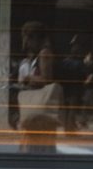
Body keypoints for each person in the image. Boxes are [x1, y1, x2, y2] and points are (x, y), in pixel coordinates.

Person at [14, 21, 62, 153]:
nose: (27, 44)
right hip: (39, 112)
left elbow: (46, 79)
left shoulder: (44, 53)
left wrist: (28, 78)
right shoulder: (41, 53)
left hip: (40, 110)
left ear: (35, 37)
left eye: (28, 39)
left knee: (38, 149)